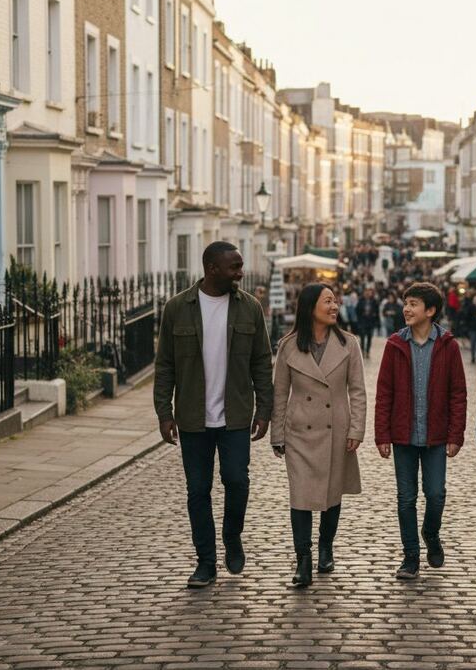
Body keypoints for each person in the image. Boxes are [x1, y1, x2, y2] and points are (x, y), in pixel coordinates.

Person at [153, 241, 274, 588]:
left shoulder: (249, 308)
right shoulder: (177, 308)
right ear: (212, 269)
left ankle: (232, 535)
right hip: (193, 418)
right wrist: (164, 412)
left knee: (237, 481)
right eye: (234, 267)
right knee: (198, 491)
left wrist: (264, 409)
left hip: (235, 416)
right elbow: (165, 366)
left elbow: (261, 363)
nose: (240, 273)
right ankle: (205, 561)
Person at [271, 283, 366, 589]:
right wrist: (278, 434)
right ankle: (303, 559)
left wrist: (356, 429)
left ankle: (326, 546)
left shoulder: (349, 344)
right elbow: (280, 393)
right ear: (310, 306)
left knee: (331, 493)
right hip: (300, 430)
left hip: (336, 429)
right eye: (327, 301)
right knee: (300, 496)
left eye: (335, 301)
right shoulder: (288, 346)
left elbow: (358, 392)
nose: (334, 306)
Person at [375, 282, 467, 580]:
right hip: (403, 435)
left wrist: (456, 434)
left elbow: (458, 393)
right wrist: (382, 434)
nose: (406, 308)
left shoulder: (448, 346)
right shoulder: (394, 345)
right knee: (406, 497)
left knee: (436, 493)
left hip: (436, 435)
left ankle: (431, 532)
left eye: (413, 303)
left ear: (430, 310)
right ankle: (411, 556)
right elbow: (384, 392)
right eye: (405, 303)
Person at [355, 287, 381, 357]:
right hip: (363, 321)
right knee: (362, 337)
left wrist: (375, 318)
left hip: (370, 321)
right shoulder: (361, 301)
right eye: (366, 292)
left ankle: (367, 351)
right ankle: (362, 351)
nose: (367, 293)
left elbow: (377, 311)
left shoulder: (374, 301)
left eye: (369, 292)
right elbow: (357, 310)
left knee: (369, 337)